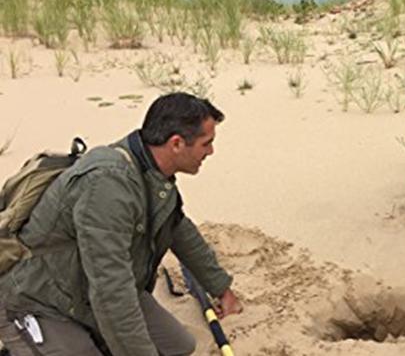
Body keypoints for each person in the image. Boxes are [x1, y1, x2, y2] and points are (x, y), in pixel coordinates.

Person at [0, 92, 243, 355]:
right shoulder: (107, 186)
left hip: (85, 293)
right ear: (176, 144)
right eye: (206, 143)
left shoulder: (154, 174)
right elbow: (111, 289)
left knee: (179, 346)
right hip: (38, 299)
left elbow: (180, 231)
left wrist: (221, 289)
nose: (210, 152)